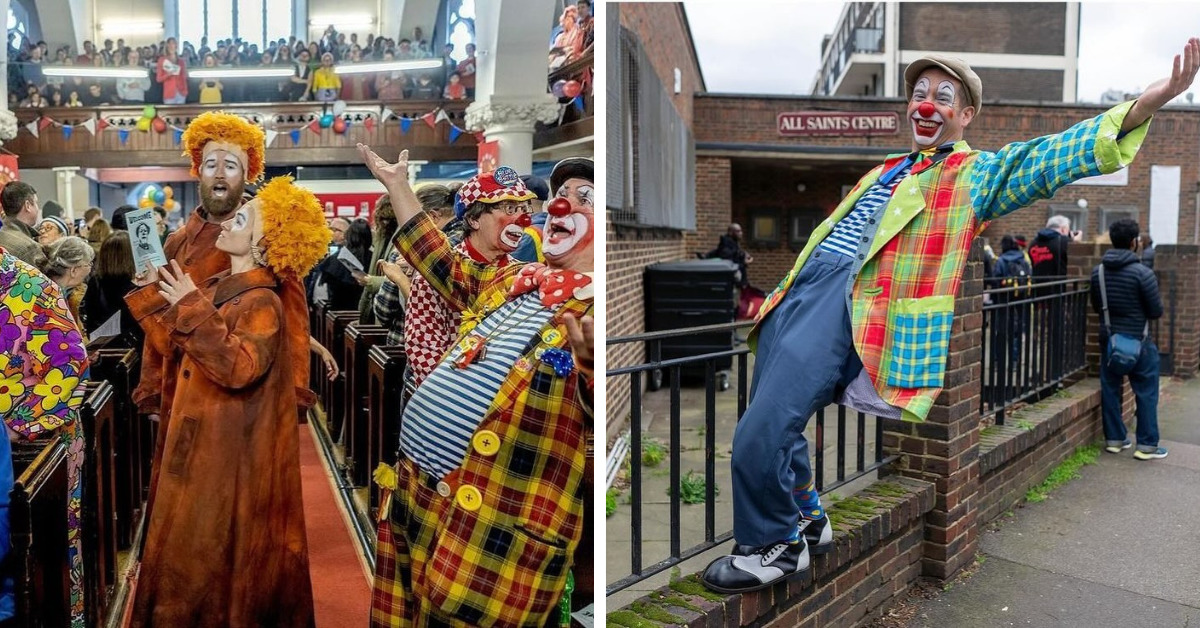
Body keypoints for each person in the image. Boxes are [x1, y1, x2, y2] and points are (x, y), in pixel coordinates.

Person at [699, 41, 1199, 595]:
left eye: (943, 96)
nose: (927, 105)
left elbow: (1049, 156)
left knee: (757, 434)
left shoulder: (972, 175)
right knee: (776, 424)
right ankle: (809, 521)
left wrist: (1143, 106)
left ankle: (774, 547)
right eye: (918, 94)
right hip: (798, 295)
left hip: (845, 302)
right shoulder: (885, 169)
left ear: (965, 116)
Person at [361, 145, 594, 627]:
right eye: (556, 194)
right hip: (415, 498)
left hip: (491, 533)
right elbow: (440, 261)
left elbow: (595, 413)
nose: (556, 206)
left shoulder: (597, 313)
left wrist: (593, 369)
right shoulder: (515, 279)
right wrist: (399, 186)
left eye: (583, 198)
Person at [125, 176, 329, 626]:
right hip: (201, 439)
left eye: (243, 219)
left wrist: (191, 305)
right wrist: (154, 297)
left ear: (264, 242)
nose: (230, 222)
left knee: (209, 558)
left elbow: (237, 367)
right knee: (188, 553)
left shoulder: (263, 300)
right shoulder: (222, 283)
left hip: (225, 450)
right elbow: (175, 345)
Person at [0, 245, 89, 627]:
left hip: (40, 447)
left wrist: (15, 424)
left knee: (46, 559)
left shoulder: (29, 284)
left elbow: (69, 364)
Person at [1090, 218, 1166, 460]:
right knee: (1146, 392)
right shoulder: (1143, 273)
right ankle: (1146, 446)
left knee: (1111, 389)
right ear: (1134, 242)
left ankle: (1114, 440)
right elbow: (1155, 311)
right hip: (1138, 341)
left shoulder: (1098, 272)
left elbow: (1096, 307)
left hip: (1110, 340)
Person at [374, 184, 457, 348]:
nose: (406, 227)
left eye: (411, 220)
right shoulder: (467, 243)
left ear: (432, 217)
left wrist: (397, 277)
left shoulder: (418, 249)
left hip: (415, 344)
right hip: (448, 348)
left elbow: (383, 310)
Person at [83, 230, 141, 347]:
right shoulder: (138, 285)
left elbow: (90, 316)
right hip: (132, 348)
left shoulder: (95, 281)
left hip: (102, 347)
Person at [40, 236, 94, 335]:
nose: (90, 269)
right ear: (73, 270)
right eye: (88, 264)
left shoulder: (48, 288)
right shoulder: (52, 296)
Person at [0, 181, 47, 267]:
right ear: (27, 205)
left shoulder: (2, 235)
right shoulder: (28, 248)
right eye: (36, 203)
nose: (37, 208)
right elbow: (39, 280)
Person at [705, 223, 753, 287]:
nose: (741, 233)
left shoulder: (732, 243)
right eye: (738, 231)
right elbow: (728, 263)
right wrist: (744, 262)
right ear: (730, 232)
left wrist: (743, 254)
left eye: (741, 231)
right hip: (731, 281)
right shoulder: (727, 245)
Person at [155, 37, 187, 105]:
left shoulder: (181, 61)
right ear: (167, 46)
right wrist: (168, 75)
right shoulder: (162, 60)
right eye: (170, 44)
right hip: (169, 93)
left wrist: (185, 91)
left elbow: (184, 77)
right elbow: (158, 79)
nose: (172, 46)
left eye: (173, 44)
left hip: (181, 92)